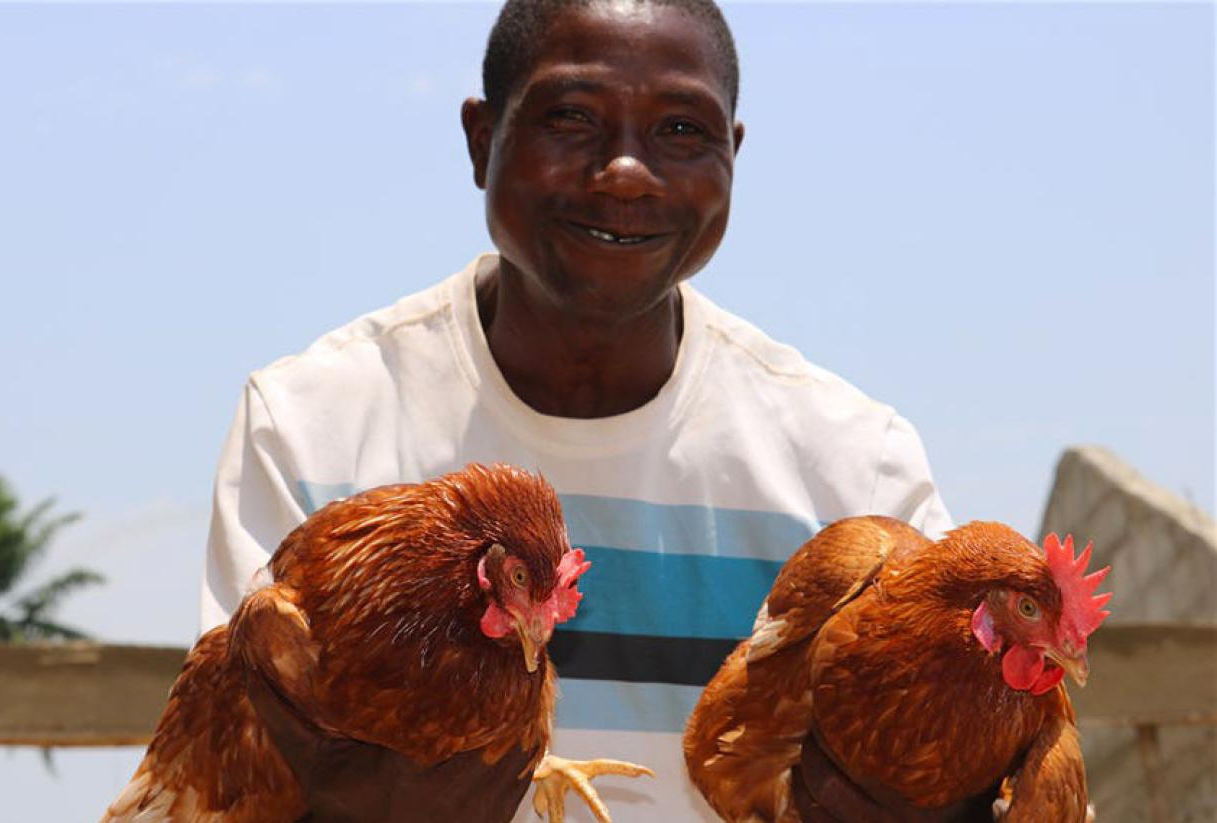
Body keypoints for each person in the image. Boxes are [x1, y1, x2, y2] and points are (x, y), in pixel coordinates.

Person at [201, 0, 953, 820]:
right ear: (482, 140)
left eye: (681, 130)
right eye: (571, 117)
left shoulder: (855, 466)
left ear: (732, 154)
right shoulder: (312, 425)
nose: (627, 169)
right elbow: (233, 776)